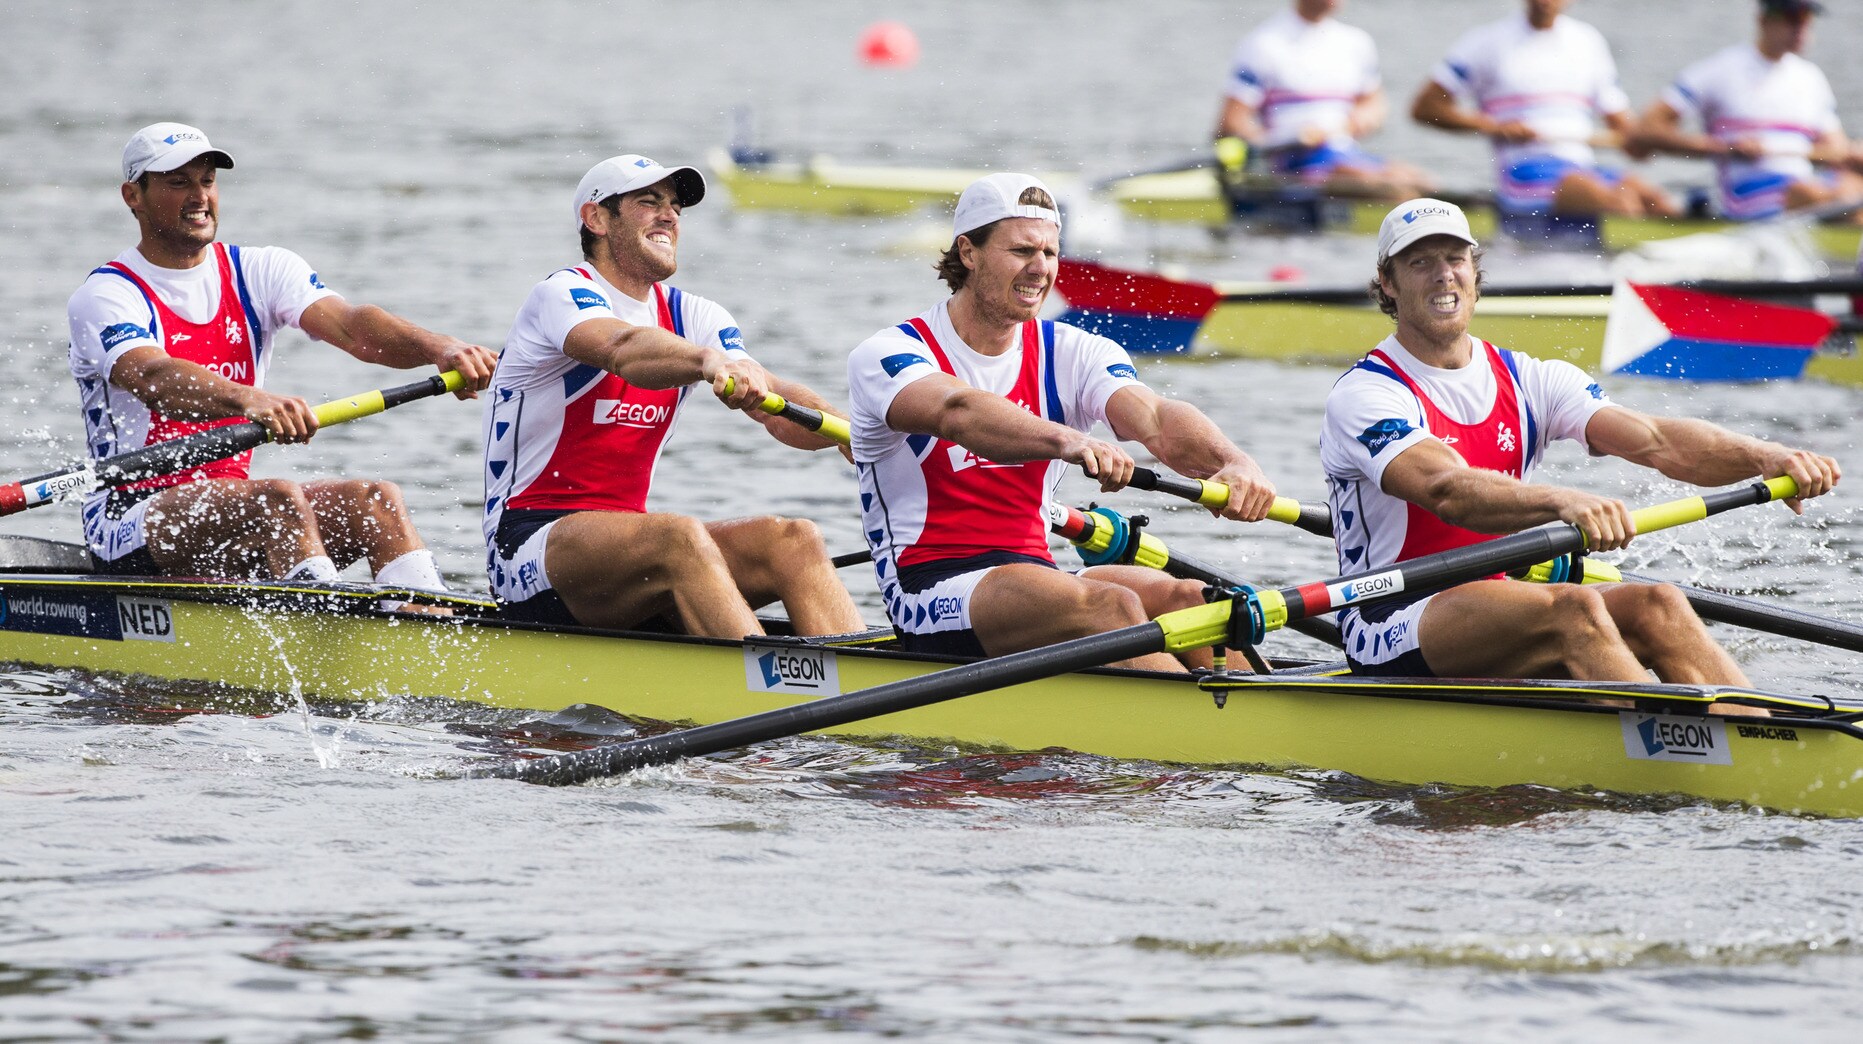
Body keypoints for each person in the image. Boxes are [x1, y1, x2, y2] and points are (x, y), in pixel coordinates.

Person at [1319, 198, 1839, 700]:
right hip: (1388, 614)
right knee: (1575, 609)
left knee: (1659, 603)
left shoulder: (1530, 379)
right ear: (1388, 282)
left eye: (1455, 259)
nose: (1443, 275)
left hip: (1500, 601)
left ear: (1475, 275)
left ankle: (1758, 729)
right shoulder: (1367, 392)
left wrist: (1765, 457)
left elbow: (1658, 442)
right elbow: (1446, 489)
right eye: (1420, 263)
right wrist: (1563, 503)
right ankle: (1671, 750)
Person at [847, 174, 1280, 672]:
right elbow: (958, 412)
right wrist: (1067, 439)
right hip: (932, 590)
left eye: (1051, 253)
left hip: (1037, 574)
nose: (1041, 269)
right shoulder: (890, 354)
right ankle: (1207, 736)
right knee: (1113, 607)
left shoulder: (1074, 351)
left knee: (1201, 605)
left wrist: (1234, 462)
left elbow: (1155, 417)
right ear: (968, 252)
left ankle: (1263, 722)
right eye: (1022, 251)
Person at [67, 122, 497, 590]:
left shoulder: (259, 270)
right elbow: (153, 376)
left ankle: (428, 622)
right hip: (130, 519)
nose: (199, 196)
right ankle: (320, 628)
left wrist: (441, 348)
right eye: (177, 183)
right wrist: (248, 399)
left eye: (207, 181)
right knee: (278, 497)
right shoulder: (107, 293)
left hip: (232, 510)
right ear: (134, 195)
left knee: (377, 499)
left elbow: (353, 328)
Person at [482, 154, 862, 638]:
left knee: (794, 539)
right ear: (596, 218)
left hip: (628, 552)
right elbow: (621, 349)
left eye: (675, 206)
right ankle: (766, 689)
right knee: (677, 535)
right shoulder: (561, 295)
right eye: (648, 202)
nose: (670, 216)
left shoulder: (694, 313)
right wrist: (706, 361)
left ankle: (870, 684)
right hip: (530, 548)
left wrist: (851, 433)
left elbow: (774, 400)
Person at [1411, 0, 1675, 217]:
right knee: (1619, 201)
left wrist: (1642, 142)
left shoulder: (1588, 41)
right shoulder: (1485, 42)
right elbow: (1425, 108)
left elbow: (1623, 128)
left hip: (1581, 169)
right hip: (1522, 172)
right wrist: (1495, 127)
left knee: (1655, 200)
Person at [1627, 0, 1863, 222]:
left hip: (1807, 193)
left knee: (1850, 184)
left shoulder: (1812, 79)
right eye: (1792, 17)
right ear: (1763, 20)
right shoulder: (1721, 71)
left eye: (1807, 18)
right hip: (1747, 198)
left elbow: (1835, 152)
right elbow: (1645, 130)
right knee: (1809, 192)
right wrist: (1723, 147)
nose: (1801, 28)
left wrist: (1853, 156)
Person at [1215, 0, 1431, 201]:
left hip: (1344, 154)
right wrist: (1291, 137)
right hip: (1293, 161)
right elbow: (1231, 123)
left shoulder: (1356, 42)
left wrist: (1357, 121)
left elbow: (1374, 105)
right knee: (1393, 189)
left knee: (1423, 183)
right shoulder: (1262, 44)